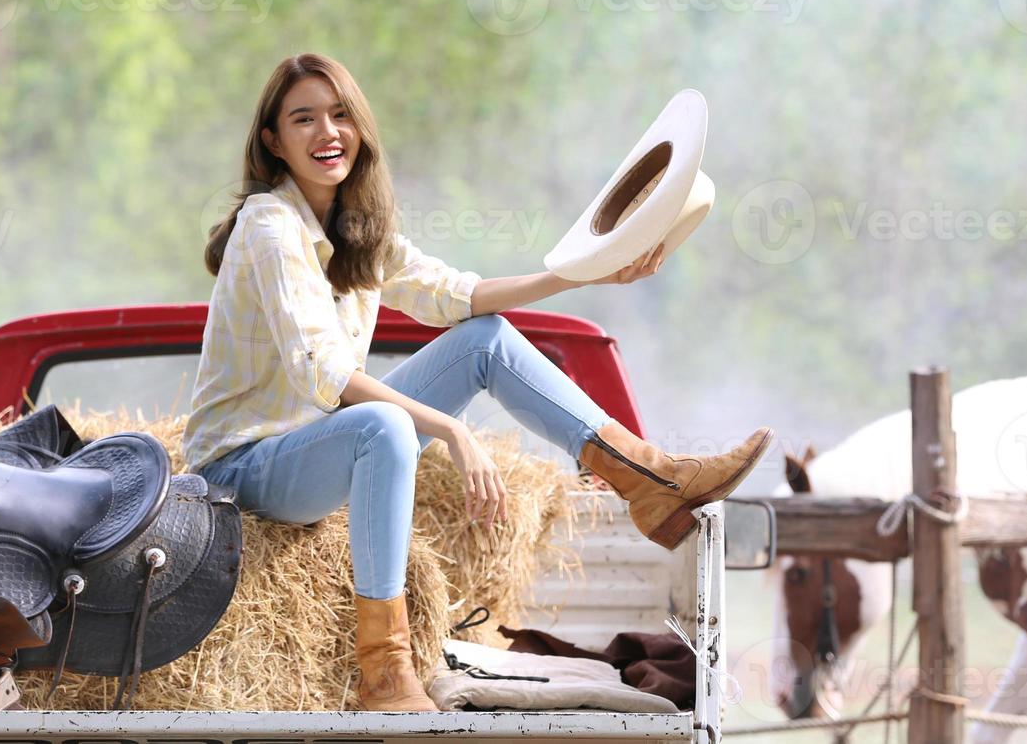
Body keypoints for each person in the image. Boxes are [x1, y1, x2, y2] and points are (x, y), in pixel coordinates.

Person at [183, 53, 773, 712]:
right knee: (380, 425)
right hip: (238, 473)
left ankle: (649, 479)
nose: (328, 132)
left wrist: (583, 275)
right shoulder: (269, 226)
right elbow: (320, 371)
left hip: (310, 450)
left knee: (484, 338)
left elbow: (457, 295)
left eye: (341, 113)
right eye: (304, 119)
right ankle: (383, 672)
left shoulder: (356, 228)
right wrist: (450, 429)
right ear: (274, 141)